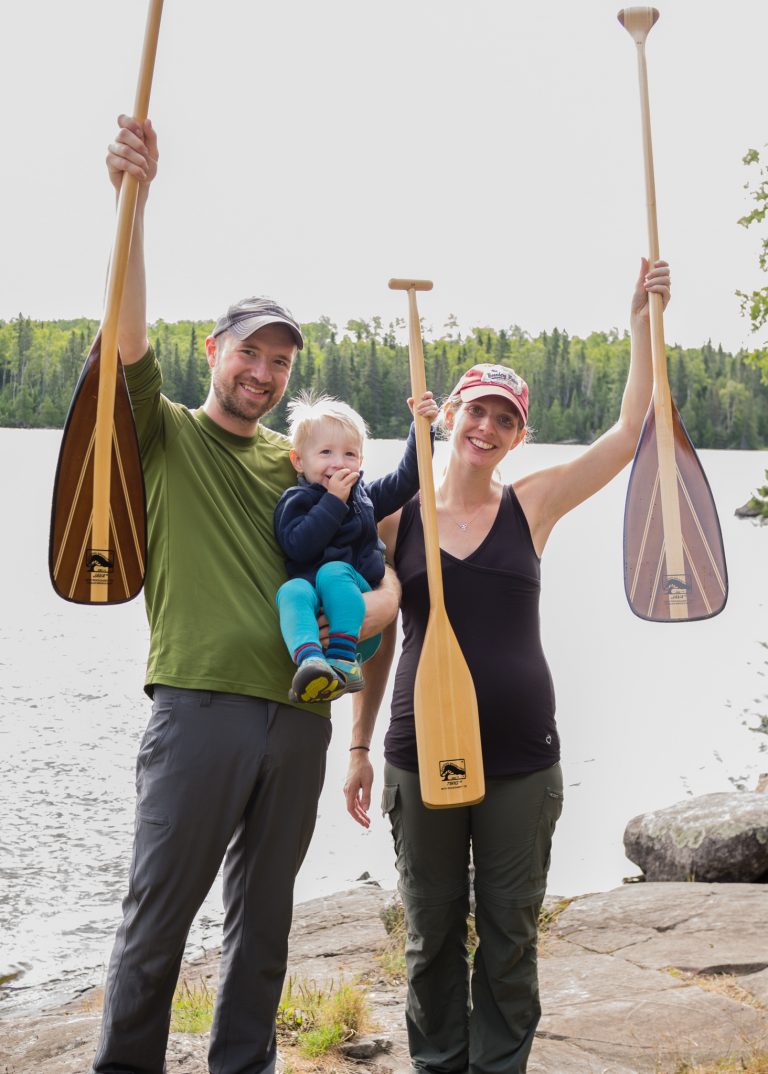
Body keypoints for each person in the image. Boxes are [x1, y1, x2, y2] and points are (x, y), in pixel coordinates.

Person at [91, 115, 399, 1074]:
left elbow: (375, 571)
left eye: (281, 364)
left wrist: (372, 618)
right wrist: (130, 202)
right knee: (157, 925)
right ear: (214, 350)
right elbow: (125, 334)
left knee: (263, 929)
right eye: (249, 355)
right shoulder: (168, 433)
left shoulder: (303, 464)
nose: (263, 375)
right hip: (200, 705)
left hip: (301, 714)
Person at [343, 259, 671, 1074]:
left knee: (510, 934)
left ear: (519, 435)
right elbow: (376, 640)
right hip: (421, 752)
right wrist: (356, 745)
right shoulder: (396, 515)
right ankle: (438, 1065)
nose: (486, 428)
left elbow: (628, 434)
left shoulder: (533, 503)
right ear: (448, 414)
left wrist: (640, 322)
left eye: (504, 419)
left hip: (522, 760)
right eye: (475, 411)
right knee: (430, 937)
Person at [274, 392, 438, 704]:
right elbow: (298, 547)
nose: (338, 463)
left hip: (355, 597)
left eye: (350, 454)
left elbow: (408, 479)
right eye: (325, 452)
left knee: (334, 572)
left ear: (360, 462)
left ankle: (343, 660)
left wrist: (421, 429)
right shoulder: (295, 501)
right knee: (291, 590)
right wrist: (332, 502)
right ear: (299, 460)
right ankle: (310, 662)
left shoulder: (365, 498)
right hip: (315, 600)